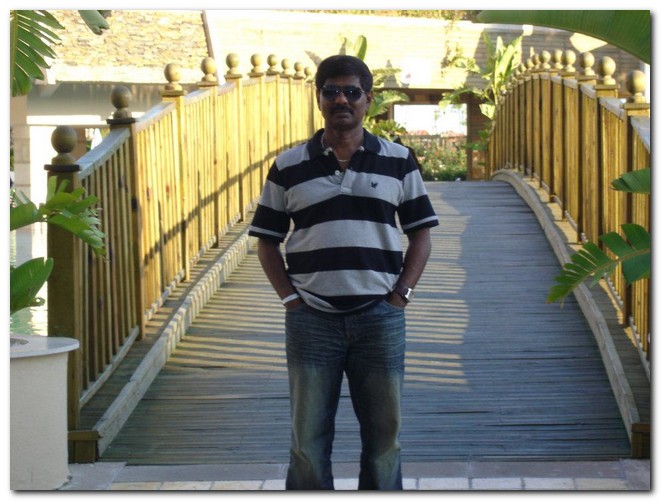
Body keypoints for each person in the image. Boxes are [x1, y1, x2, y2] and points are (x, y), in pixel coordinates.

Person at [248, 54, 439, 490]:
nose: (341, 100)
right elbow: (266, 241)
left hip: (380, 319)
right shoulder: (288, 166)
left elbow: (422, 235)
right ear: (318, 98)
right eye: (331, 90)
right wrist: (290, 299)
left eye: (352, 91)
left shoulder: (399, 161)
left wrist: (401, 296)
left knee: (384, 439)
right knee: (307, 441)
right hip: (311, 320)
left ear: (368, 100)